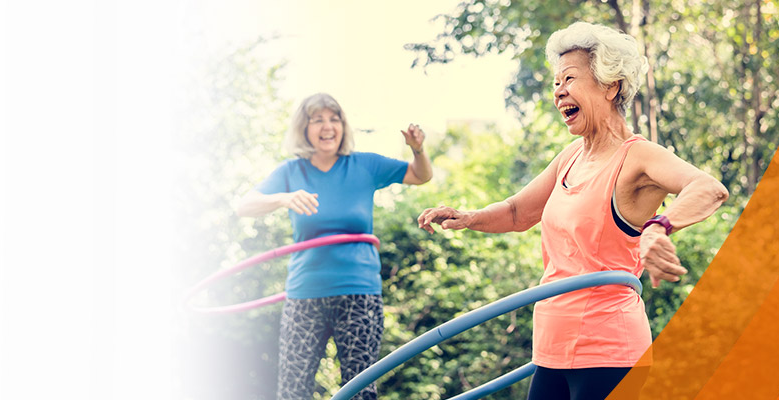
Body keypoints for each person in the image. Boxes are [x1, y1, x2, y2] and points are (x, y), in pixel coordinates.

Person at [415, 22, 729, 400]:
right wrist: (467, 218)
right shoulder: (570, 158)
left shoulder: (638, 156)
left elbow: (709, 188)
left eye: (570, 79)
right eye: (555, 82)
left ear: (611, 85)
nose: (558, 91)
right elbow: (518, 213)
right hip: (551, 348)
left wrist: (658, 227)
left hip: (608, 350)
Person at [235, 93, 432, 400]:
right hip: (304, 296)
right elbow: (244, 206)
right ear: (304, 128)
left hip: (359, 295)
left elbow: (420, 176)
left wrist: (418, 150)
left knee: (359, 391)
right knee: (292, 391)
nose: (327, 127)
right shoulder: (291, 172)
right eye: (318, 120)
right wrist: (283, 198)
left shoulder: (364, 165)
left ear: (342, 126)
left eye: (334, 118)